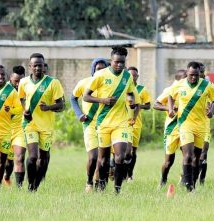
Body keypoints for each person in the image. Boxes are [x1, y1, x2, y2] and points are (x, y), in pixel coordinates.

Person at [83, 46, 139, 194]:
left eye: (122, 62)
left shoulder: (127, 77)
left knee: (120, 157)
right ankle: (101, 186)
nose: (119, 65)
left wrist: (131, 100)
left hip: (121, 123)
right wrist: (103, 100)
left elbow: (132, 94)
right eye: (117, 62)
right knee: (103, 160)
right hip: (103, 123)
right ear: (111, 61)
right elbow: (86, 96)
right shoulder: (100, 75)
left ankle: (117, 190)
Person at [168, 62, 214, 192]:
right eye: (191, 75)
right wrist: (170, 109)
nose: (194, 78)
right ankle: (188, 186)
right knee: (188, 154)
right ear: (187, 73)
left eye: (196, 75)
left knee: (197, 157)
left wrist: (212, 112)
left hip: (201, 126)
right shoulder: (180, 84)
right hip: (185, 124)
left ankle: (193, 183)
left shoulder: (206, 85)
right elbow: (170, 95)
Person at [19, 53, 65, 191]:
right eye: (35, 65)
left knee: (43, 159)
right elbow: (21, 98)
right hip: (30, 124)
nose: (38, 68)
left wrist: (48, 108)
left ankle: (35, 186)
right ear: (30, 67)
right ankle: (30, 184)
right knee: (33, 157)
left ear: (44, 66)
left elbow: (61, 105)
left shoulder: (53, 83)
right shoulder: (23, 82)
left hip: (46, 126)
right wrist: (24, 110)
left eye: (40, 65)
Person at [70, 58, 108, 192]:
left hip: (106, 124)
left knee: (103, 159)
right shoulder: (84, 83)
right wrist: (79, 114)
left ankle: (99, 183)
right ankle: (89, 181)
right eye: (98, 69)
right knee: (93, 157)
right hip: (89, 124)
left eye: (103, 69)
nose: (100, 72)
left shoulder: (109, 84)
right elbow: (73, 98)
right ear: (93, 70)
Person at [154, 69, 187, 188]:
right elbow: (156, 104)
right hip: (172, 129)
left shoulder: (189, 90)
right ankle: (163, 179)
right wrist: (170, 108)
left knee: (187, 155)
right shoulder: (169, 90)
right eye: (185, 77)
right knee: (169, 161)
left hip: (186, 127)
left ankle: (185, 179)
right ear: (178, 80)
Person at [126, 66, 151, 181]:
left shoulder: (142, 89)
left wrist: (138, 105)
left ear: (137, 76)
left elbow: (148, 105)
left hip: (136, 123)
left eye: (134, 75)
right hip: (122, 122)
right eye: (130, 75)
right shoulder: (123, 88)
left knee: (133, 151)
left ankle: (130, 173)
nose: (132, 77)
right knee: (122, 149)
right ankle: (120, 172)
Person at [2, 65, 26, 187]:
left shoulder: (26, 91)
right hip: (4, 129)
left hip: (20, 129)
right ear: (11, 78)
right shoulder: (3, 90)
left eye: (20, 81)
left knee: (20, 157)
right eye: (16, 81)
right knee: (8, 162)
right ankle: (6, 177)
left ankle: (19, 188)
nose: (18, 84)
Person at [197, 62, 211, 185]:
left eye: (203, 71)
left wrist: (210, 109)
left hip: (205, 124)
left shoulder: (208, 85)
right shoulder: (188, 84)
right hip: (190, 124)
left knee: (204, 152)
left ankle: (202, 179)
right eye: (200, 71)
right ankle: (189, 175)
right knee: (192, 154)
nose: (201, 74)